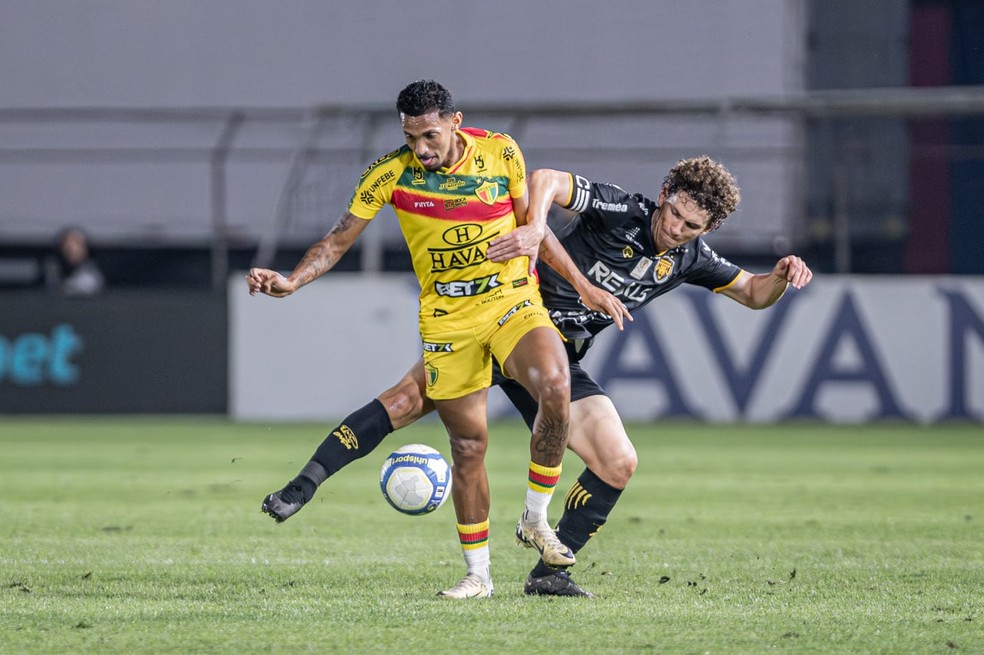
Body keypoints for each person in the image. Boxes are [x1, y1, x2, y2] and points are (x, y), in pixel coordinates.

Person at [261, 155, 814, 597]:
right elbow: (546, 178)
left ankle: (548, 573)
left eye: (692, 226)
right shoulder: (622, 209)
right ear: (665, 194)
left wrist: (782, 277)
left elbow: (752, 294)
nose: (675, 229)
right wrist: (535, 226)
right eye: (673, 213)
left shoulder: (690, 257)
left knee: (618, 461)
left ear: (708, 227)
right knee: (406, 401)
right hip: (504, 319)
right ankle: (303, 483)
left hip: (556, 361)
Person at [247, 80, 576, 600]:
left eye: (429, 135)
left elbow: (534, 230)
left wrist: (581, 285)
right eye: (410, 136)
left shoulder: (501, 151)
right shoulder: (390, 174)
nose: (420, 148)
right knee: (469, 445)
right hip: (448, 321)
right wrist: (292, 281)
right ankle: (479, 576)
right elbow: (335, 242)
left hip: (511, 302)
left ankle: (536, 518)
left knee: (557, 385)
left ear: (454, 122)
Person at [44, 226, 106, 296]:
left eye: (78, 243)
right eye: (67, 243)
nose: (73, 248)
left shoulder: (90, 278)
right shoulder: (51, 270)